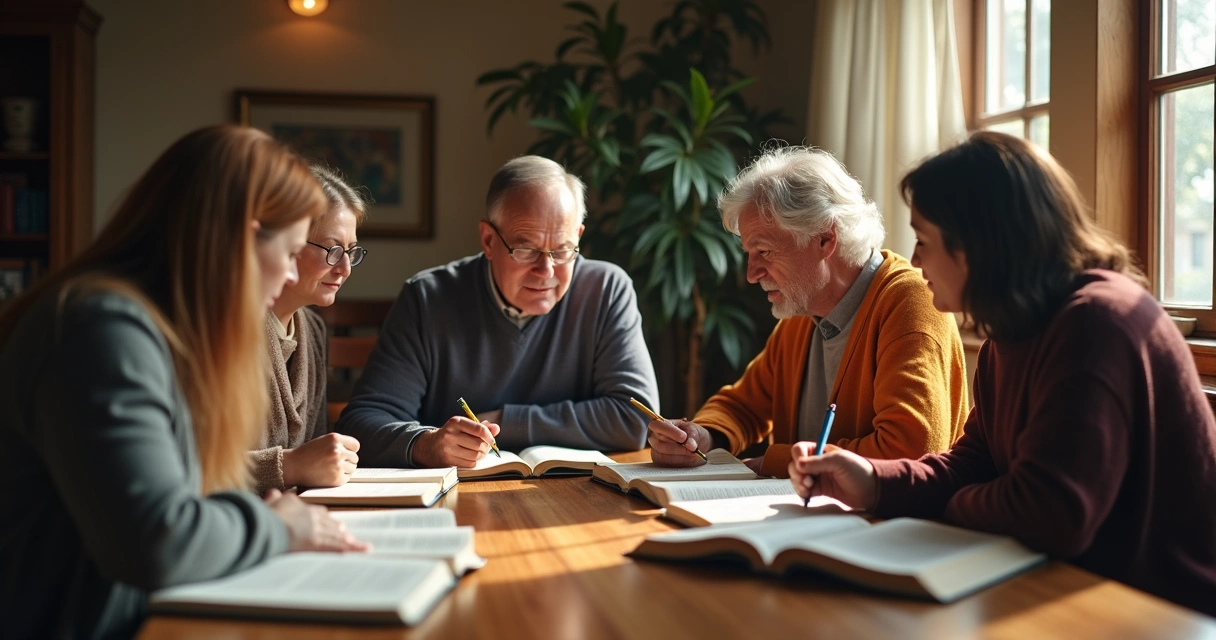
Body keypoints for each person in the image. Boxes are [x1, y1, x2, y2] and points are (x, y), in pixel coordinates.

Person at [789, 131, 1216, 616]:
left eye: (925, 239)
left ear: (977, 245)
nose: (917, 259)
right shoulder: (1008, 336)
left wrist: (944, 502)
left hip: (1160, 610)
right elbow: (972, 463)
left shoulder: (1096, 323)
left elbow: (1050, 512)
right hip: (1073, 585)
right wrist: (873, 480)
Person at [0, 125, 368, 639]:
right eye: (288, 253)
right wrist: (282, 526)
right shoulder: (100, 331)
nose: (289, 276)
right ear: (240, 236)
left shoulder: (146, 326)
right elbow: (157, 540)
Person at [648, 146, 969, 477]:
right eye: (749, 252)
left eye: (764, 251)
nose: (751, 273)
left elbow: (910, 449)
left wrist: (779, 461)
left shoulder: (909, 301)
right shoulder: (803, 312)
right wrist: (703, 434)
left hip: (892, 524)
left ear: (825, 239)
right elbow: (743, 405)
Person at [337, 156, 659, 468]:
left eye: (561, 250)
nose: (545, 270)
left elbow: (636, 418)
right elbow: (362, 425)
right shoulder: (428, 298)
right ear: (488, 240)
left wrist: (508, 422)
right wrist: (429, 445)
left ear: (578, 237)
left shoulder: (606, 290)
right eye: (526, 249)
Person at [251, 165, 369, 494]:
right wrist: (290, 465)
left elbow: (315, 459)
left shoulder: (314, 331)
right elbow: (197, 467)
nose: (345, 268)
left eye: (351, 251)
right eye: (332, 250)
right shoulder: (230, 329)